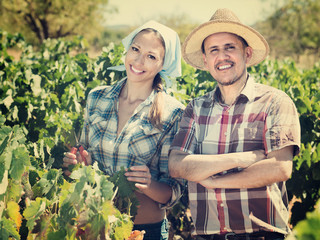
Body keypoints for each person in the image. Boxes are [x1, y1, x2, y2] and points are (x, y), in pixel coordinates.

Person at [169, 8, 301, 240]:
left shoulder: (274, 102)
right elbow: (178, 165)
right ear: (206, 60)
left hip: (262, 234)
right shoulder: (195, 108)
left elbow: (279, 168)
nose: (222, 56)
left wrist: (215, 181)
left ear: (247, 54)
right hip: (205, 235)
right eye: (214, 50)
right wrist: (244, 159)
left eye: (230, 47)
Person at [63, 20, 185, 240]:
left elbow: (174, 191)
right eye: (135, 49)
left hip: (145, 232)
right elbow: (83, 157)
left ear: (163, 64)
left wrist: (148, 185)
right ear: (127, 50)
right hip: (94, 226)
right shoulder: (97, 97)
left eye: (151, 56)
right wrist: (78, 164)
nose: (138, 61)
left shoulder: (173, 113)